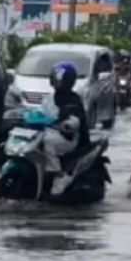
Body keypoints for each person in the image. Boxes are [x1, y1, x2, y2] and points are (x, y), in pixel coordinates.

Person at [41, 63, 91, 195]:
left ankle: (58, 172)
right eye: (55, 79)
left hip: (69, 138)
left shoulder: (74, 100)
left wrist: (68, 124)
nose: (56, 82)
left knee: (47, 141)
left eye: (59, 80)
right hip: (51, 132)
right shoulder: (49, 99)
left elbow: (76, 119)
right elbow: (40, 113)